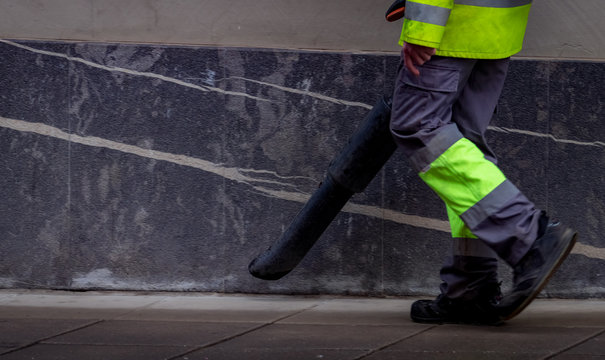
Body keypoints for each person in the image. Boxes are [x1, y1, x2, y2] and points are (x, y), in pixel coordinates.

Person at [389, 0, 578, 324]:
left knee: (418, 126)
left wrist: (424, 24)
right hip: (496, 25)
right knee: (462, 145)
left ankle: (528, 234)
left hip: (452, 25)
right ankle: (470, 287)